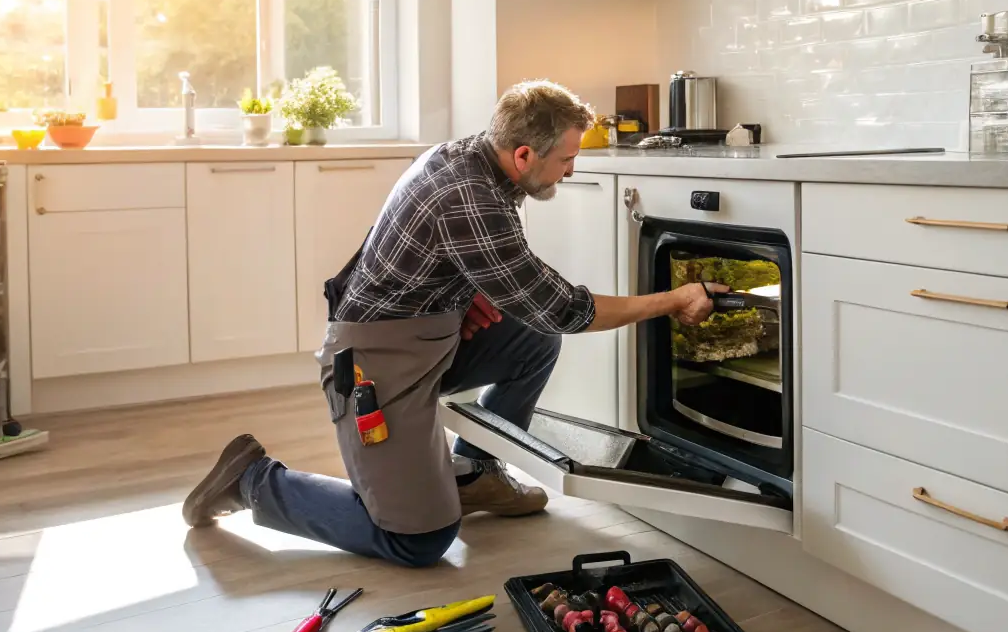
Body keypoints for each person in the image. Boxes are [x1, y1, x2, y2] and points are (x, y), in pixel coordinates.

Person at [181, 80, 720, 567]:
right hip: (374, 363)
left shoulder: (477, 158)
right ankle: (253, 481)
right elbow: (563, 307)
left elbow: (472, 271)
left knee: (533, 341)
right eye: (566, 160)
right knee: (417, 540)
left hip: (431, 333)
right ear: (525, 153)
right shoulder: (472, 198)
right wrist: (671, 300)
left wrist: (465, 299)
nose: (572, 171)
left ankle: (473, 475)